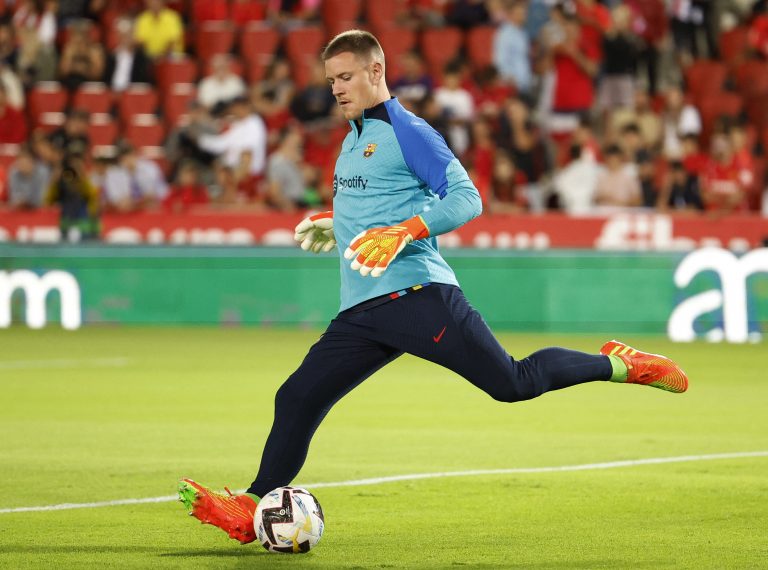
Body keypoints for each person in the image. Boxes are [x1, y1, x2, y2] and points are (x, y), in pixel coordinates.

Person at [177, 29, 690, 545]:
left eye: (346, 77)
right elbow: (384, 202)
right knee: (296, 397)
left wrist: (405, 231)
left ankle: (620, 364)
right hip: (362, 310)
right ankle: (251, 505)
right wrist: (341, 226)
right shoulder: (352, 139)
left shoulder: (408, 130)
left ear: (376, 71)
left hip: (418, 296)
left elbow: (467, 198)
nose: (336, 88)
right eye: (331, 79)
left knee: (512, 383)